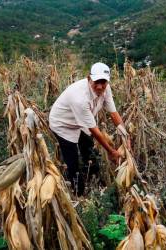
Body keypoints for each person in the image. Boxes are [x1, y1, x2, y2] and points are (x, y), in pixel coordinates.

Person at [49, 62, 128, 196]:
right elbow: (93, 129)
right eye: (96, 82)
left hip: (81, 122)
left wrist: (126, 137)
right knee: (73, 161)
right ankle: (77, 193)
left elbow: (114, 114)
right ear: (89, 78)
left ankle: (92, 175)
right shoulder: (79, 98)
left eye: (103, 82)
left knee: (89, 149)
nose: (99, 86)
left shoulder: (105, 89)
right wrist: (111, 151)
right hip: (63, 124)